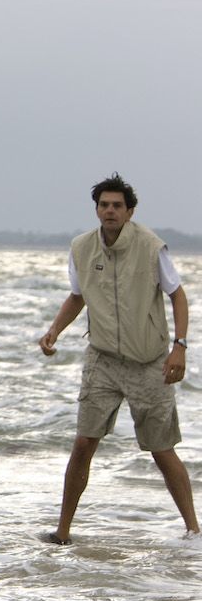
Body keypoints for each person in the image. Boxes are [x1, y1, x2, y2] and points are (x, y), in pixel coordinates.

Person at [38, 173, 198, 543]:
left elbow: (177, 295)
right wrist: (54, 330)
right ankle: (62, 532)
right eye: (104, 205)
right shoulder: (81, 248)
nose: (110, 211)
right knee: (83, 442)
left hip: (149, 361)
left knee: (161, 449)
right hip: (103, 360)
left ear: (129, 212)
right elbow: (77, 296)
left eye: (117, 206)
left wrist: (180, 346)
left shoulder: (151, 246)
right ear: (96, 210)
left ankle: (193, 530)